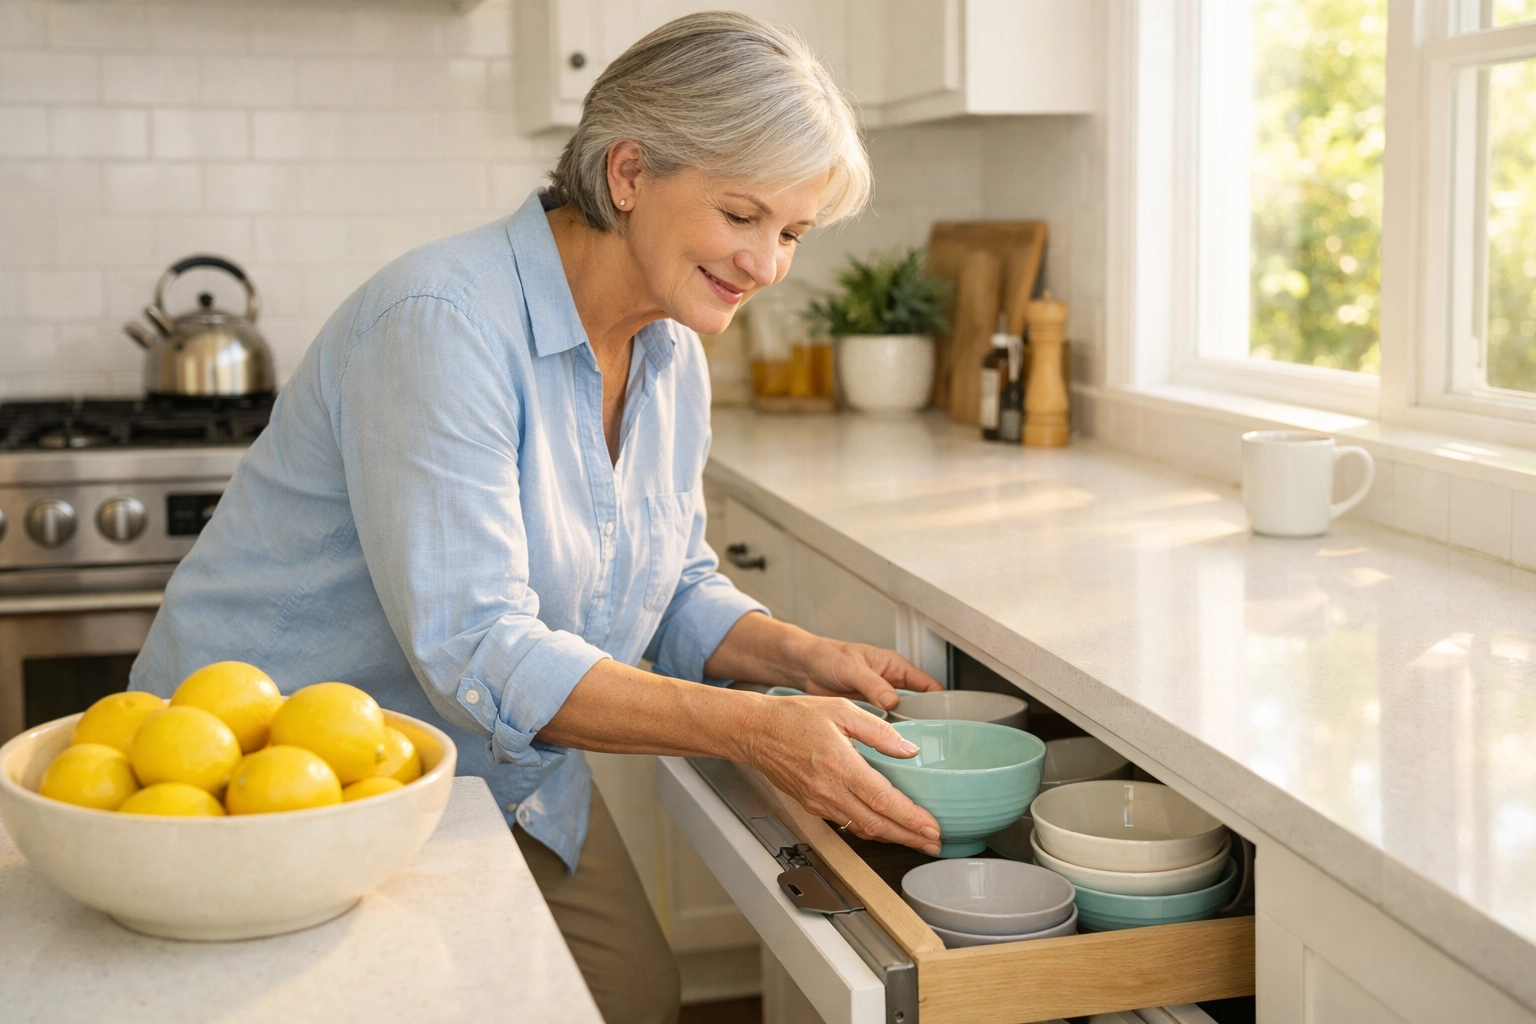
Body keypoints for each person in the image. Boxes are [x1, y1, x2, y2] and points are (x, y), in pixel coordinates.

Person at [130, 12, 943, 1024]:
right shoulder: (443, 323)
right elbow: (478, 645)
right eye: (743, 216)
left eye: (791, 232)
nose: (768, 265)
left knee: (635, 993)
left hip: (486, 762)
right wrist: (756, 729)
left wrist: (800, 654)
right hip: (260, 776)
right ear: (631, 174)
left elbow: (668, 577)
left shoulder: (671, 349)